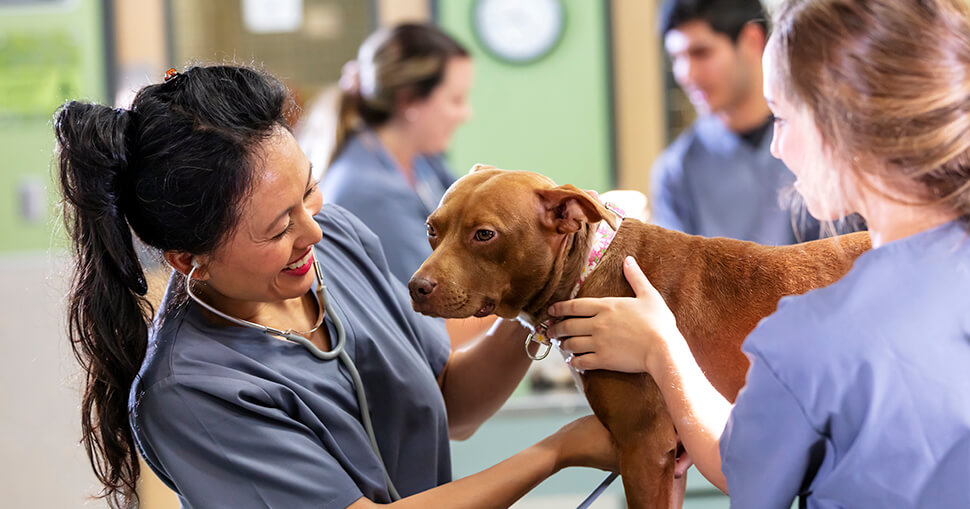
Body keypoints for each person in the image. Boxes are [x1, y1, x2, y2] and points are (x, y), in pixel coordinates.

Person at [55, 64, 615, 508]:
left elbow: (451, 404)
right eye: (278, 228)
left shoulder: (338, 242)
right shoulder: (192, 393)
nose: (314, 230)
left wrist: (539, 298)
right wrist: (558, 450)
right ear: (187, 260)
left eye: (310, 190)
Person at [551, 0, 970, 507]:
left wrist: (662, 348)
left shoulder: (813, 337)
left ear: (840, 121)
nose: (776, 147)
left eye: (782, 118)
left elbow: (742, 465)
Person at [303, 23, 469, 285]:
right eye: (456, 100)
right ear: (410, 101)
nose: (465, 115)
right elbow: (432, 312)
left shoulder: (425, 163)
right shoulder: (370, 192)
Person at [651, 0, 824, 244]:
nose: (686, 74)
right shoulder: (677, 172)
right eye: (676, 57)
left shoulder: (823, 142)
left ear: (752, 40)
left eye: (701, 52)